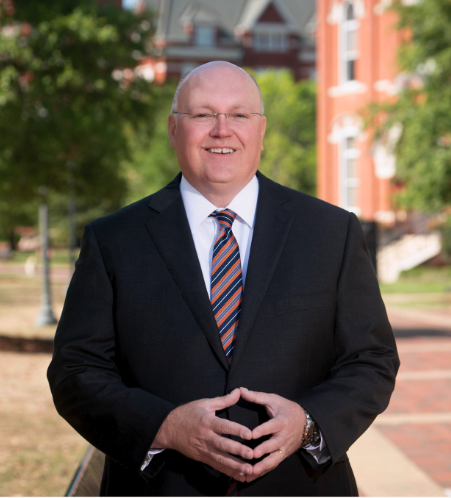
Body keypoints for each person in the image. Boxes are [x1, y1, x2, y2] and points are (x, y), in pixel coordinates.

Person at [48, 61, 399, 496]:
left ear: (261, 130)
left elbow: (372, 360)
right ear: (174, 130)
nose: (221, 129)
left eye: (238, 114)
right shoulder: (114, 240)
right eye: (202, 114)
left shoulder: (332, 232)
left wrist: (308, 425)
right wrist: (166, 428)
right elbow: (75, 372)